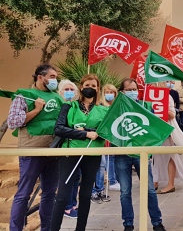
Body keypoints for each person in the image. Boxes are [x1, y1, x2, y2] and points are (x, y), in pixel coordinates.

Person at [7, 64, 63, 231]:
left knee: (50, 193)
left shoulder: (58, 98)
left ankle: (47, 228)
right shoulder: (24, 96)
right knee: (24, 194)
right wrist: (37, 110)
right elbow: (13, 122)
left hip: (54, 151)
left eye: (56, 77)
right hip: (32, 151)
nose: (55, 80)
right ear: (40, 77)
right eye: (52, 77)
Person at [51, 74, 109, 231]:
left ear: (98, 89)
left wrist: (88, 130)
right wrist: (85, 134)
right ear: (81, 87)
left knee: (85, 195)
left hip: (93, 155)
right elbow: (59, 128)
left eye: (94, 86)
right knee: (62, 195)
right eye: (87, 85)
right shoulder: (69, 106)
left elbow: (107, 132)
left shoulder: (104, 110)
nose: (90, 88)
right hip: (70, 153)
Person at [115, 78, 166, 231]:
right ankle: (128, 225)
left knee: (150, 190)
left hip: (141, 154)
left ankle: (157, 223)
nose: (132, 92)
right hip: (122, 153)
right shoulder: (117, 108)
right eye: (129, 90)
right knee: (125, 192)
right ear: (122, 92)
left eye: (134, 89)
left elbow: (153, 127)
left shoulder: (146, 105)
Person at [152, 93, 183, 194]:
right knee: (155, 156)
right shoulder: (147, 95)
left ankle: (170, 184)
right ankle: (154, 181)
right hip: (154, 129)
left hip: (165, 129)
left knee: (170, 156)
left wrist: (160, 109)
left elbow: (172, 114)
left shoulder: (165, 96)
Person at [57, 79, 81, 219]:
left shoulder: (75, 106)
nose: (69, 92)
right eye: (66, 89)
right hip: (63, 146)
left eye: (71, 90)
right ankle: (66, 207)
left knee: (76, 176)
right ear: (60, 92)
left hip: (75, 145)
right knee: (66, 177)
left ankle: (73, 204)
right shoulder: (60, 106)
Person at [99, 84, 120, 191]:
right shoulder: (101, 106)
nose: (109, 94)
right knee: (109, 158)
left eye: (111, 92)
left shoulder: (117, 105)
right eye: (107, 92)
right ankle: (112, 181)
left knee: (114, 157)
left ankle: (114, 179)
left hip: (116, 134)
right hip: (106, 135)